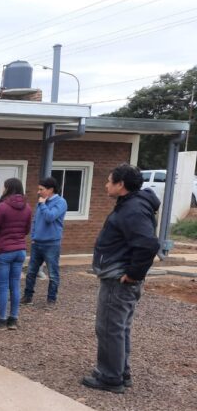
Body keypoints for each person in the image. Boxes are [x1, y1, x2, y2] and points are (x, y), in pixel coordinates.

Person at [83, 164, 160, 394]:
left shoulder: (132, 210)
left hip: (119, 279)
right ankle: (120, 371)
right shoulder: (132, 205)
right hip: (119, 277)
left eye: (109, 181)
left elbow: (148, 244)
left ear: (121, 185)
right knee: (119, 327)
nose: (106, 185)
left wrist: (133, 274)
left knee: (108, 328)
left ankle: (110, 377)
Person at [0, 177, 32, 330]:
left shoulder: (2, 207)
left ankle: (1, 320)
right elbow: (26, 230)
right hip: (20, 250)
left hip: (3, 251)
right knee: (15, 285)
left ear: (7, 189)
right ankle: (13, 319)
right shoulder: (28, 208)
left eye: (3, 187)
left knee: (3, 287)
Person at [23, 176, 68, 306]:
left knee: (53, 274)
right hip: (37, 243)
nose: (38, 192)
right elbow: (36, 221)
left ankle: (51, 300)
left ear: (50, 190)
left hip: (51, 244)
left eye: (41, 189)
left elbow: (50, 217)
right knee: (31, 272)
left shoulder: (61, 202)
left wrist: (42, 204)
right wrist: (33, 237)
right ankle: (27, 296)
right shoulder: (41, 202)